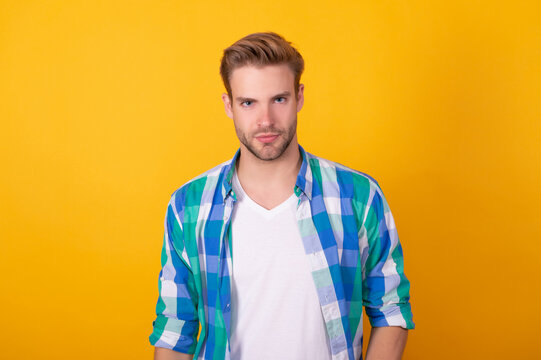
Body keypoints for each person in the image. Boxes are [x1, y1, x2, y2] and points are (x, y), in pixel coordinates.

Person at [150, 32, 414, 360]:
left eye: (279, 99)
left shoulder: (359, 197)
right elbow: (176, 328)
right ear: (228, 105)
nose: (266, 121)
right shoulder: (188, 206)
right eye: (249, 102)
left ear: (299, 97)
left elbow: (391, 310)